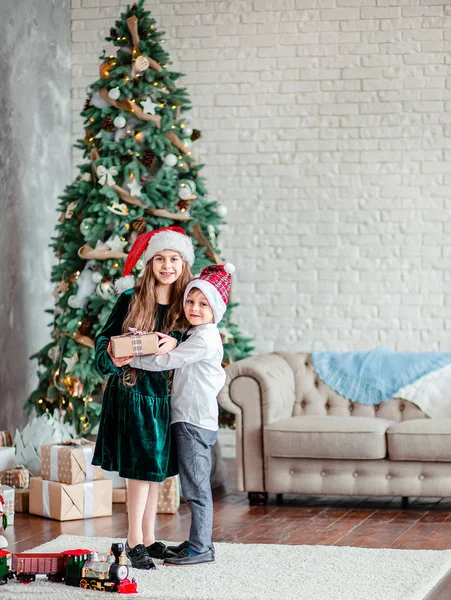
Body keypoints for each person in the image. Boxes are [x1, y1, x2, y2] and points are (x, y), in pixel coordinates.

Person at [92, 226, 194, 570]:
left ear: (184, 264)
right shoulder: (130, 299)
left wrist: (176, 343)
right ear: (150, 263)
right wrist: (113, 356)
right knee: (139, 471)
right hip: (133, 395)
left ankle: (148, 538)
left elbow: (202, 342)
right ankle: (133, 540)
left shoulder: (187, 306)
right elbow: (102, 343)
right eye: (160, 258)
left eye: (174, 258)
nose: (167, 265)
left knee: (154, 472)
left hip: (163, 400)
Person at [128, 262, 235, 566]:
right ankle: (196, 543)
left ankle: (201, 548)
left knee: (195, 487)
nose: (195, 308)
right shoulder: (197, 333)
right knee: (194, 484)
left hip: (193, 421)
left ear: (216, 309)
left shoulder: (204, 338)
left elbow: (167, 361)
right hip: (192, 419)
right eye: (190, 301)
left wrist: (132, 359)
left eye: (204, 304)